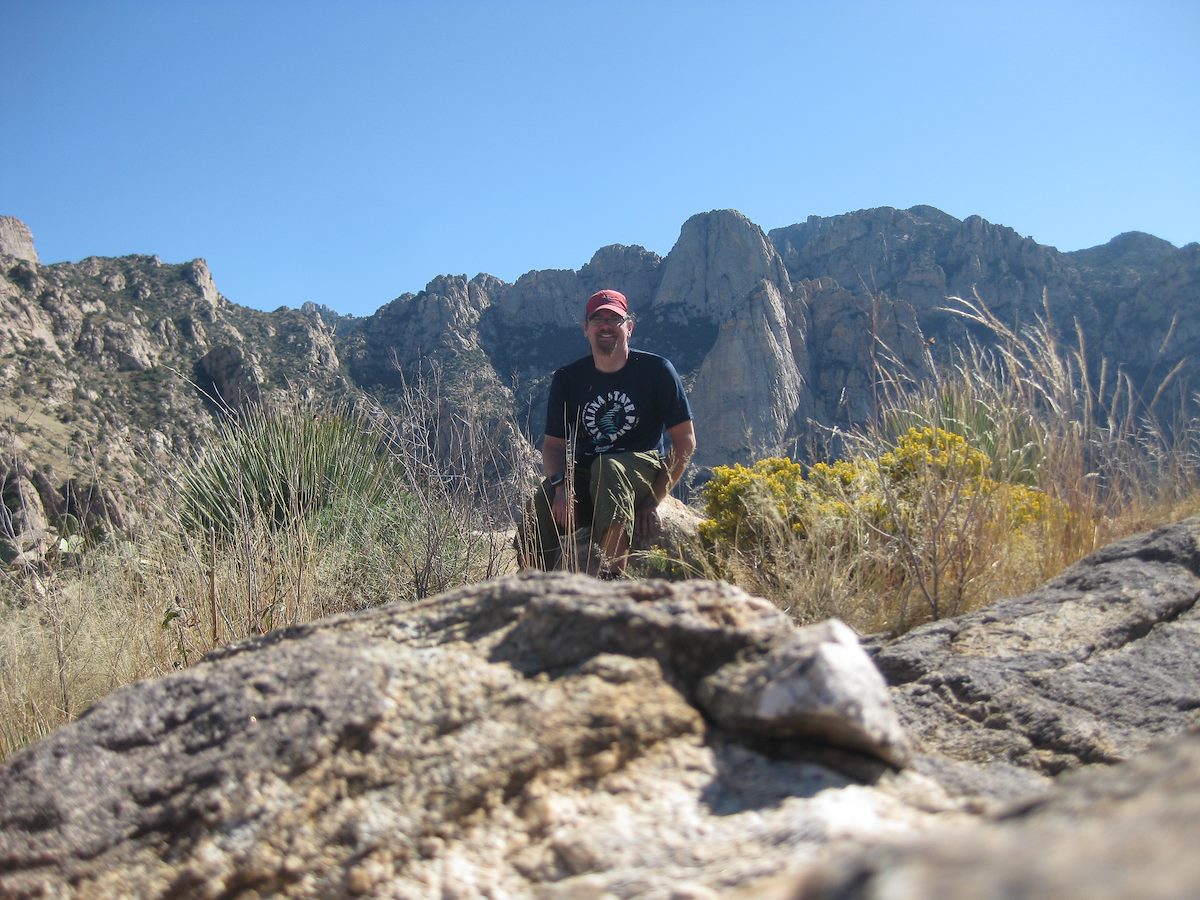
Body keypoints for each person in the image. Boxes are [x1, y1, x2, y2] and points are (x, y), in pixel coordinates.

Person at [516, 288, 697, 579]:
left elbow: (685, 441)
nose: (605, 326)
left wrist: (652, 500)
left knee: (608, 467)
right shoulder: (568, 379)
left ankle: (611, 580)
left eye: (614, 319)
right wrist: (561, 488)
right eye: (597, 319)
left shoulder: (658, 371)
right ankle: (531, 588)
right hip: (586, 475)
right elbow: (553, 446)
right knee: (541, 500)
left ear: (629, 327)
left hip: (640, 467)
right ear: (586, 328)